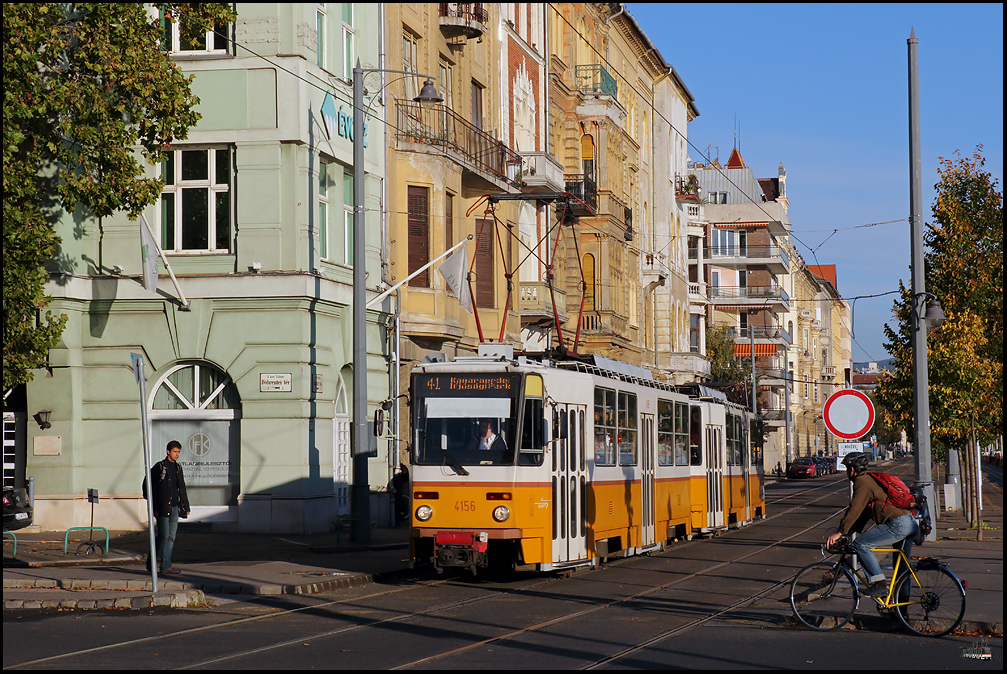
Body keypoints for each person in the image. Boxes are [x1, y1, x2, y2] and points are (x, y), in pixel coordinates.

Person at [826, 452, 919, 597]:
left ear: (852, 469)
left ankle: (880, 584)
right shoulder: (871, 480)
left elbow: (855, 508)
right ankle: (901, 612)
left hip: (898, 524)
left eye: (847, 469)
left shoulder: (861, 481)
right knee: (901, 570)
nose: (846, 473)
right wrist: (846, 532)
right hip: (909, 523)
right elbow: (862, 515)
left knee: (860, 544)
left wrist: (839, 532)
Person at [148, 440, 190, 575]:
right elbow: (148, 486)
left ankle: (166, 565)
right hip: (162, 507)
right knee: (163, 535)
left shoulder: (178, 468)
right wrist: (154, 506)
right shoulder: (160, 467)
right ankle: (152, 561)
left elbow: (182, 487)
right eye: (175, 452)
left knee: (171, 537)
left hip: (174, 507)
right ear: (168, 452)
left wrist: (185, 505)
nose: (177, 454)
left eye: (178, 452)